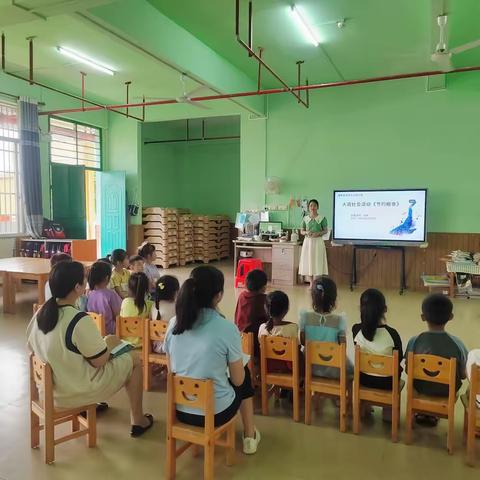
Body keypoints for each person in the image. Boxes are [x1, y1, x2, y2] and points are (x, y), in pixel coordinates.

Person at [27, 261, 153, 437]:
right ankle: (138, 419)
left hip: (50, 391)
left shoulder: (41, 313)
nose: (87, 281)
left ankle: (103, 406)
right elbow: (99, 361)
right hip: (75, 392)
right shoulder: (78, 319)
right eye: (84, 279)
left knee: (108, 345)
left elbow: (33, 348)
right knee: (133, 359)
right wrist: (110, 343)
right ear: (77, 287)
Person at [164, 266, 260, 455]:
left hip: (181, 410)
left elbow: (171, 368)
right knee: (245, 374)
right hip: (216, 413)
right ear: (219, 296)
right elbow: (238, 381)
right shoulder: (226, 328)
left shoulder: (174, 322)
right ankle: (250, 435)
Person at [405, 293, 468, 426]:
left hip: (420, 390)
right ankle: (434, 413)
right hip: (446, 393)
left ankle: (422, 410)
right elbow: (463, 375)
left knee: (413, 382)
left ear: (423, 317)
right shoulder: (458, 344)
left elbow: (407, 370)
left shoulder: (414, 341)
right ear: (451, 317)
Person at [352, 289, 403, 390]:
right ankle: (387, 406)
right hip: (388, 382)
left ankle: (364, 405)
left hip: (363, 379)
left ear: (361, 309)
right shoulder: (392, 334)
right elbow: (399, 358)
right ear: (385, 309)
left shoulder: (356, 330)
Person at [299, 276, 349, 378]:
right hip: (333, 369)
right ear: (333, 299)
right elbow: (343, 347)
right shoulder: (339, 320)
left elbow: (303, 342)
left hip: (309, 366)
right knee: (350, 370)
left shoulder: (305, 317)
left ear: (313, 297)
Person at [234, 269, 268, 357]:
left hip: (240, 339)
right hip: (256, 343)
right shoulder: (263, 300)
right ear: (263, 288)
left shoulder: (242, 296)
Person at [298, 199, 329, 288]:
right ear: (308, 207)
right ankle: (311, 283)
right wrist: (306, 233)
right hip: (308, 242)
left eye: (314, 205)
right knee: (308, 261)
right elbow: (302, 231)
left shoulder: (322, 218)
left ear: (317, 207)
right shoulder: (305, 218)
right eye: (311, 205)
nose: (313, 207)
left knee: (317, 261)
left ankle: (316, 283)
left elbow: (325, 230)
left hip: (318, 241)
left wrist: (318, 233)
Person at [87, 260, 122, 335]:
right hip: (111, 332)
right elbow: (119, 315)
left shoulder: (90, 294)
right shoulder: (111, 295)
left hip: (95, 330)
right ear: (107, 278)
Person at [120, 272, 152, 348]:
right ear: (146, 289)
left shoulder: (125, 302)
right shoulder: (150, 305)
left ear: (129, 288)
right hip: (143, 345)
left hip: (126, 344)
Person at [150, 275, 180, 353]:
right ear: (176, 292)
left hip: (156, 346)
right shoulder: (177, 307)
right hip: (172, 347)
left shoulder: (154, 306)